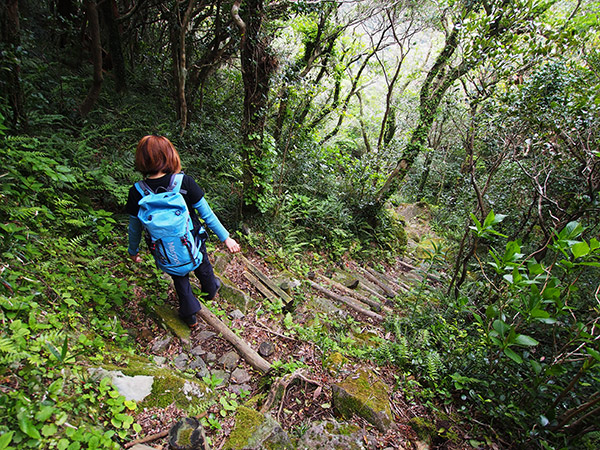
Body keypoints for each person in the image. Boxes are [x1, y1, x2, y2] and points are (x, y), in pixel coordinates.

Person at [125, 135, 241, 328]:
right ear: (169, 155)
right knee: (202, 264)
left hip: (163, 246)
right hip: (192, 240)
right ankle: (210, 290)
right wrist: (225, 237)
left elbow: (134, 227)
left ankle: (189, 315)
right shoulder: (184, 183)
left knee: (178, 274)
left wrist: (133, 250)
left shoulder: (137, 191)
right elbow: (207, 214)